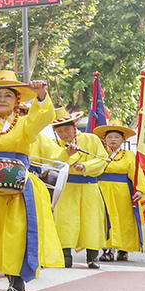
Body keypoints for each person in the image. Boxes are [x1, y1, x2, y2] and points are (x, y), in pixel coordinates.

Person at [0, 70, 61, 291]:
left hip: (18, 186)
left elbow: (42, 118)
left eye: (8, 95)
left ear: (17, 100)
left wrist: (41, 97)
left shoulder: (24, 124)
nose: (2, 100)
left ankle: (17, 283)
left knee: (17, 232)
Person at [45, 107, 108, 268]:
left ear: (74, 126)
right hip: (67, 187)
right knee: (66, 221)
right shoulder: (55, 144)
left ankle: (92, 256)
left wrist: (85, 165)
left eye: (67, 129)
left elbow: (103, 159)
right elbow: (53, 162)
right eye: (60, 131)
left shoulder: (91, 139)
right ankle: (66, 255)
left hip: (89, 187)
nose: (64, 134)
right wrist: (67, 154)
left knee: (91, 221)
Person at [94, 118, 143, 261]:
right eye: (110, 137)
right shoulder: (99, 153)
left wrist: (139, 189)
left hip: (123, 192)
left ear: (123, 139)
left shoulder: (129, 155)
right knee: (105, 219)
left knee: (123, 220)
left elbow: (136, 173)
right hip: (102, 189)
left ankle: (123, 248)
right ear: (104, 139)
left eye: (117, 137)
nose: (113, 140)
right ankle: (108, 249)